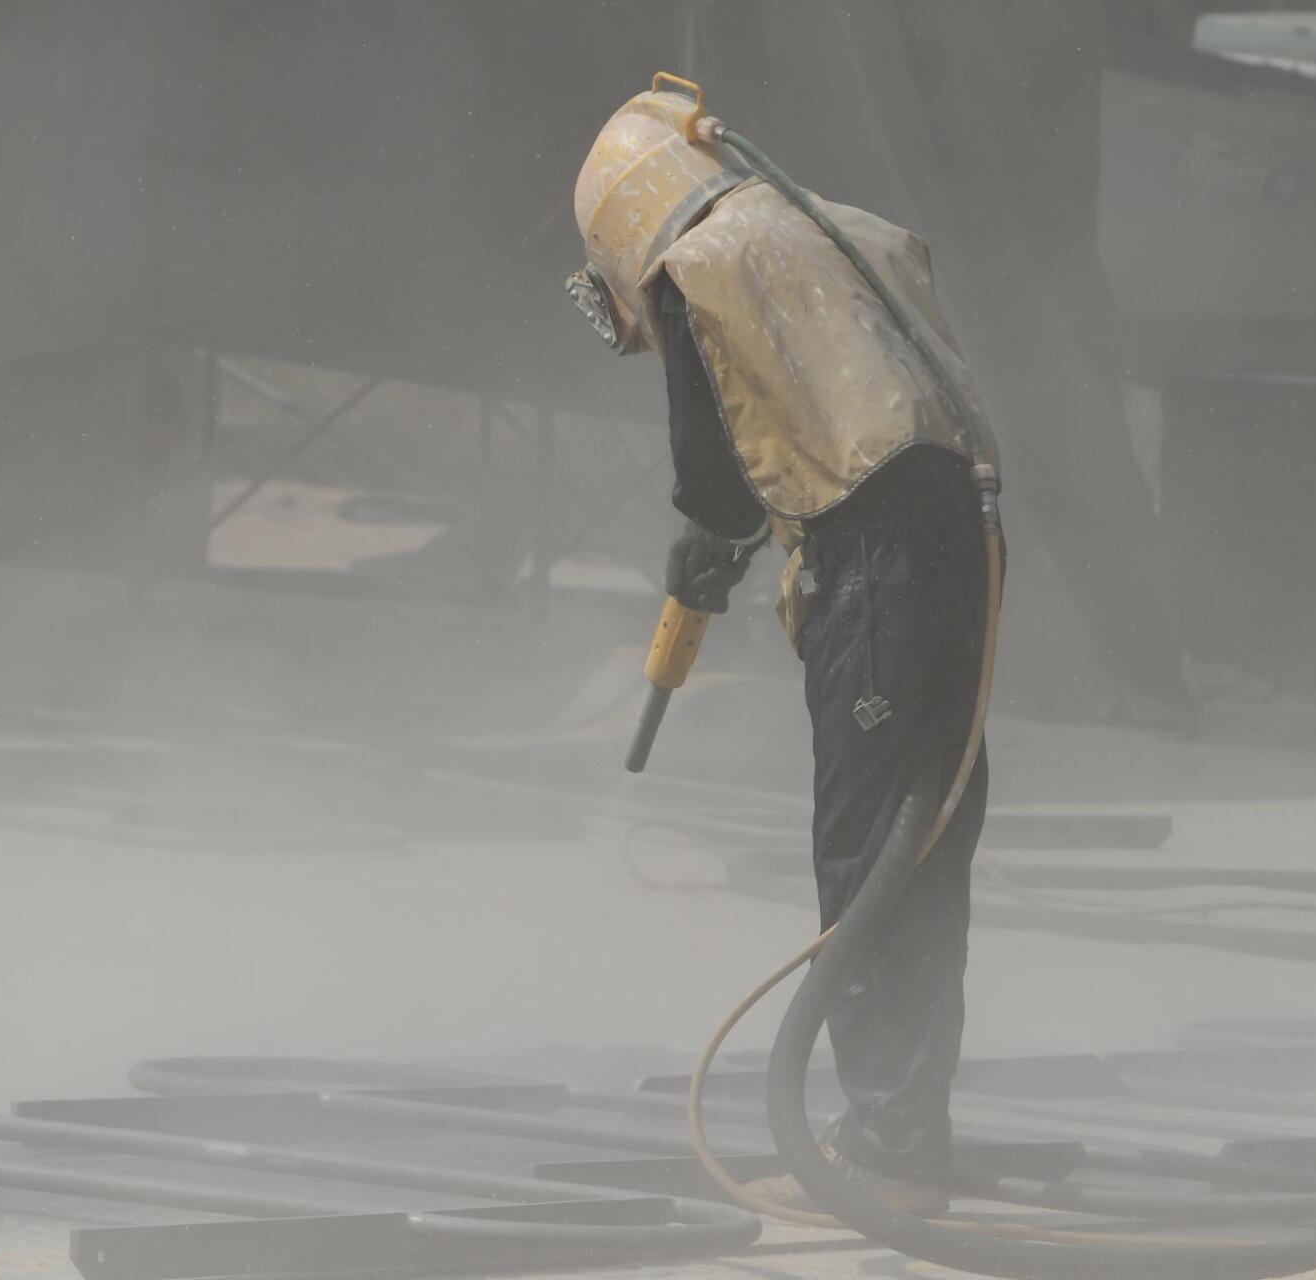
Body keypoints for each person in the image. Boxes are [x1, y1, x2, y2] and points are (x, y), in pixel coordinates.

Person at [567, 80, 999, 1212]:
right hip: (967, 552)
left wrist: (706, 547)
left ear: (623, 224)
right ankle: (910, 1131)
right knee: (928, 848)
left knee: (869, 861)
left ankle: (883, 1157)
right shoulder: (825, 226)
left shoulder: (698, 271)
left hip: (876, 569)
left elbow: (717, 480)